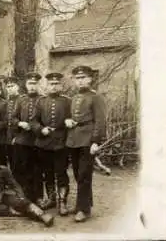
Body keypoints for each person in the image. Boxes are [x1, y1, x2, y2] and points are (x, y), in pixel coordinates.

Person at [0, 146, 54, 227]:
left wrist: (21, 196)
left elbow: (14, 185)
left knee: (20, 202)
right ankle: (22, 213)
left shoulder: (3, 169)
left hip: (3, 194)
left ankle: (42, 215)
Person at [64, 66, 106, 223]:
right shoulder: (74, 97)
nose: (80, 81)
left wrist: (96, 142)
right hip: (74, 140)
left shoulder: (96, 97)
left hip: (88, 141)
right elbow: (70, 116)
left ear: (90, 79)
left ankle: (83, 210)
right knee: (77, 174)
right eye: (77, 78)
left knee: (84, 175)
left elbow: (100, 121)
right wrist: (67, 120)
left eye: (83, 78)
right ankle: (84, 203)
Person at [31, 72, 71, 215]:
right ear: (47, 86)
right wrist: (41, 129)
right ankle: (52, 199)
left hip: (61, 143)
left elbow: (72, 119)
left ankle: (62, 202)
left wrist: (68, 123)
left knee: (61, 173)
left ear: (61, 85)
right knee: (47, 173)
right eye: (51, 84)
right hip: (44, 143)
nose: (54, 87)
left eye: (56, 84)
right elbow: (33, 121)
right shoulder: (41, 101)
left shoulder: (67, 101)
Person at [12, 72, 44, 205]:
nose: (32, 86)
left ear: (38, 85)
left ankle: (38, 197)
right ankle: (23, 196)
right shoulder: (21, 100)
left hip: (38, 141)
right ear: (25, 85)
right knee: (22, 169)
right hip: (23, 140)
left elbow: (47, 120)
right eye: (30, 83)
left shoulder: (43, 100)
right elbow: (13, 119)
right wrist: (20, 123)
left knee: (37, 170)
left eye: (35, 83)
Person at [3, 76, 22, 175]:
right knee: (11, 163)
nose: (10, 88)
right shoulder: (7, 102)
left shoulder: (22, 100)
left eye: (12, 86)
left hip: (19, 137)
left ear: (17, 87)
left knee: (18, 165)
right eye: (8, 86)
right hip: (8, 137)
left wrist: (18, 137)